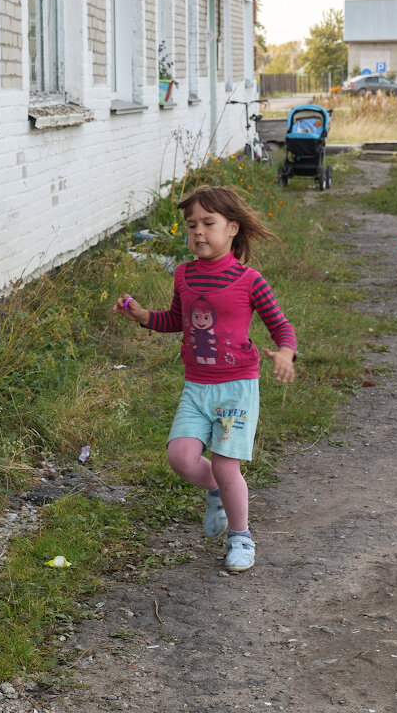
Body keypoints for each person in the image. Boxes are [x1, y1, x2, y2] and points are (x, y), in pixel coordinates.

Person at [113, 185, 297, 573]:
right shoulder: (183, 275)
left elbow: (280, 326)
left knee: (227, 465)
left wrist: (285, 352)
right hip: (196, 386)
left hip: (236, 388)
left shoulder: (250, 280)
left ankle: (240, 536)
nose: (198, 232)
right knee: (180, 457)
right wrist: (144, 316)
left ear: (232, 228)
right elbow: (175, 321)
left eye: (208, 223)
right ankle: (215, 492)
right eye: (191, 225)